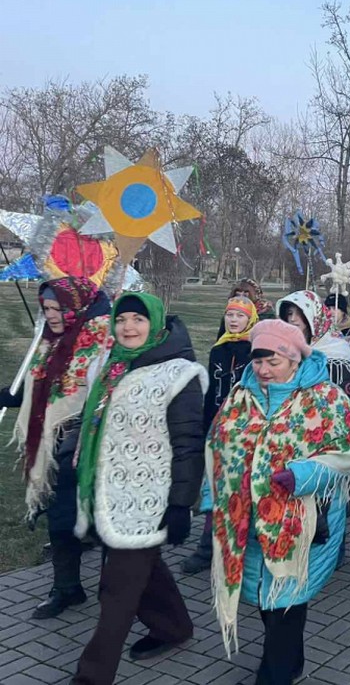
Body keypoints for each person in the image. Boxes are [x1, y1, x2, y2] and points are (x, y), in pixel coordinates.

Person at [208, 319, 350, 684]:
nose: (264, 370)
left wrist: (306, 474)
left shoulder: (326, 398)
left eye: (273, 362)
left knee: (285, 605)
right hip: (248, 523)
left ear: (295, 360)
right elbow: (217, 444)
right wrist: (210, 496)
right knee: (267, 604)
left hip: (300, 526)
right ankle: (292, 661)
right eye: (258, 361)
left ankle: (276, 673)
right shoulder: (241, 396)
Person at [71, 292, 206, 685]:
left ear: (156, 323)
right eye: (121, 319)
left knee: (116, 591)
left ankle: (91, 677)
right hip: (110, 495)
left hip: (151, 500)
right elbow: (93, 425)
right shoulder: (112, 366)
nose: (128, 327)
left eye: (138, 319)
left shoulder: (178, 375)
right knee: (144, 571)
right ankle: (174, 626)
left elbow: (188, 444)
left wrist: (181, 504)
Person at [0, 278, 112, 619]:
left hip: (90, 444)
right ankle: (66, 588)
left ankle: (120, 592)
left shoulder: (101, 340)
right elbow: (41, 385)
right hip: (53, 445)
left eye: (57, 308)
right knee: (61, 518)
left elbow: (104, 390)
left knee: (99, 521)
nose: (50, 315)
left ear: (75, 307)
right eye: (46, 308)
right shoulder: (50, 340)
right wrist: (9, 395)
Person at [182, 296, 259, 575]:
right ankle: (207, 546)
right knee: (212, 488)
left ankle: (240, 549)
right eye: (229, 315)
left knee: (241, 491)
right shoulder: (219, 348)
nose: (234, 320)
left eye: (240, 316)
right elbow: (213, 391)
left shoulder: (255, 350)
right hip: (217, 427)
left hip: (244, 430)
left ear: (250, 319)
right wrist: (206, 426)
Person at [277, 290, 350, 396]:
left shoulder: (336, 354)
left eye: (299, 313)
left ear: (314, 315)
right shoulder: (284, 348)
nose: (292, 319)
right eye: (289, 313)